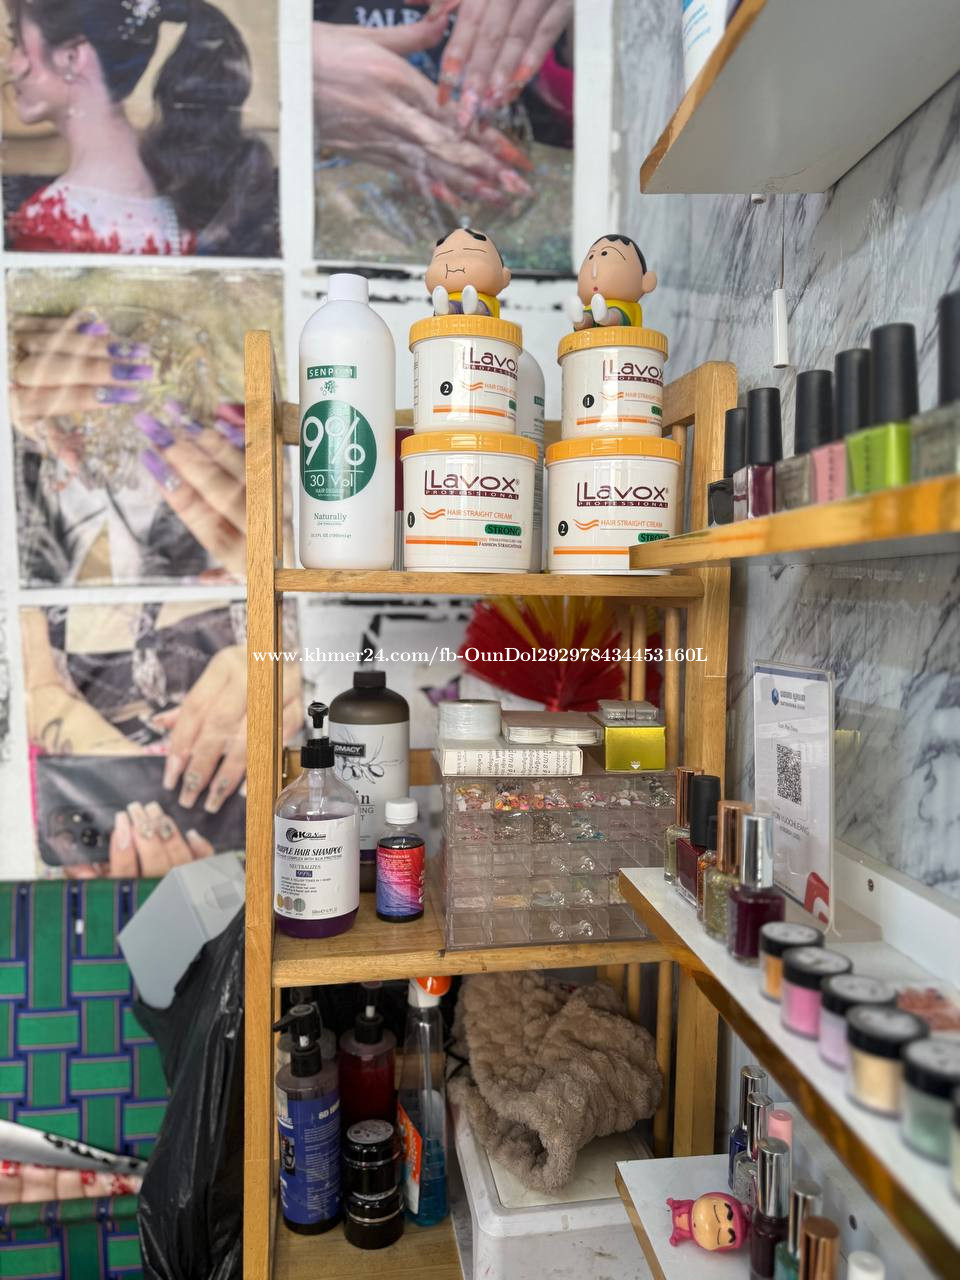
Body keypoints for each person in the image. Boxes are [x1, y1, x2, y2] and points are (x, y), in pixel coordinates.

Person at [4, 0, 277, 255]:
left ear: (73, 57)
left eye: (18, 44)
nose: (9, 65)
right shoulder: (183, 194)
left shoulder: (46, 226)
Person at [566, 234, 658, 329]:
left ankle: (607, 317)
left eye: (604, 253)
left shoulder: (629, 308)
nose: (594, 273)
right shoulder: (589, 308)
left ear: (646, 281)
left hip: (622, 331)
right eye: (591, 256)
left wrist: (606, 316)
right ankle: (581, 320)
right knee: (587, 316)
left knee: (618, 314)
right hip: (588, 335)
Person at [426, 227, 511, 316]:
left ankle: (476, 309)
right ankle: (446, 309)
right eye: (445, 256)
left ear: (504, 276)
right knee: (452, 305)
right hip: (448, 309)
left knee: (483, 305)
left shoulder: (489, 299)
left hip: (482, 312)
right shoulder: (446, 297)